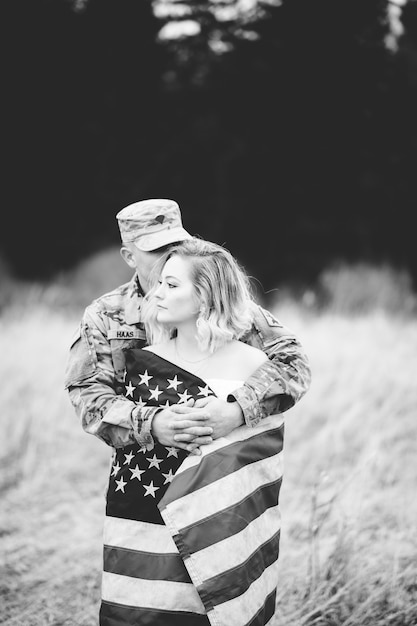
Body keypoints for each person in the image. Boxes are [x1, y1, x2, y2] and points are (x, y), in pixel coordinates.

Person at [100, 238, 293, 625]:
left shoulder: (255, 366)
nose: (155, 293)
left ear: (206, 296)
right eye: (160, 283)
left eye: (172, 285)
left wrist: (232, 417)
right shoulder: (143, 366)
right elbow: (117, 435)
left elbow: (257, 465)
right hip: (147, 522)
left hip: (222, 530)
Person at [64, 198, 311, 456]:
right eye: (157, 249)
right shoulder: (104, 317)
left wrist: (237, 410)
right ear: (129, 257)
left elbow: (293, 363)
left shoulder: (224, 305)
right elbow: (89, 398)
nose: (170, 255)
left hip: (219, 467)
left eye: (177, 244)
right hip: (146, 469)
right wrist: (153, 424)